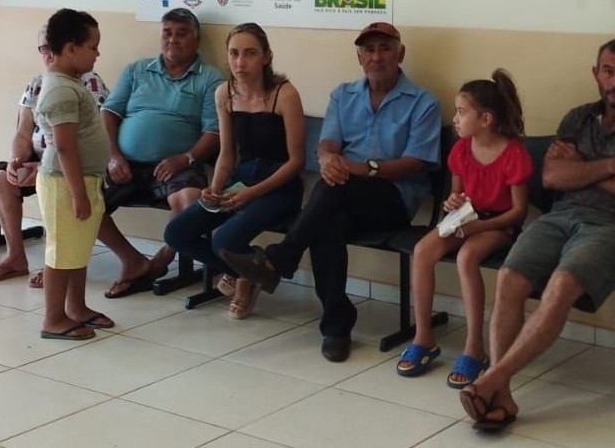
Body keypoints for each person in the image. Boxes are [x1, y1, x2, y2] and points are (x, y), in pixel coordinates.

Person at [459, 38, 615, 432]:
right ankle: (502, 394)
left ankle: (491, 379)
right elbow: (551, 176)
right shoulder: (577, 118)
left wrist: (583, 168)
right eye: (608, 71)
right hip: (559, 219)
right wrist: (612, 165)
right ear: (596, 74)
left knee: (561, 284)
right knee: (509, 278)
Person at [221, 22, 441, 362]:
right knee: (327, 219)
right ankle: (336, 327)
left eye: (385, 48)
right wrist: (327, 160)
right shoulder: (343, 95)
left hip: (393, 199)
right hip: (342, 194)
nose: (376, 56)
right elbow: (327, 144)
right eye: (368, 50)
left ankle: (282, 258)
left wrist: (360, 168)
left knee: (332, 191)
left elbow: (416, 163)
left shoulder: (423, 102)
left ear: (400, 54)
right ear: (359, 57)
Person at [396, 70, 533, 387]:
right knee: (422, 251)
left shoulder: (513, 154)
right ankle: (423, 337)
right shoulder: (460, 149)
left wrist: (481, 226)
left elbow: (518, 212)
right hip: (466, 219)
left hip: (498, 224)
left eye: (461, 112)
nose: (455, 119)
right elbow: (456, 196)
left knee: (467, 257)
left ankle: (474, 348)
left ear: (485, 119)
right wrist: (452, 203)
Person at [164, 23, 305, 318]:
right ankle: (246, 273)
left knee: (223, 240)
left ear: (266, 56)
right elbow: (227, 154)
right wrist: (215, 188)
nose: (240, 62)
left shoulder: (284, 94)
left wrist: (252, 194)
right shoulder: (224, 93)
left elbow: (296, 162)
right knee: (176, 232)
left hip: (280, 185)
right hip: (243, 178)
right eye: (234, 53)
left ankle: (246, 276)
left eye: (250, 53)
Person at [100, 7, 224, 298]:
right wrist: (114, 155)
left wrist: (186, 158)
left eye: (181, 34)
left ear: (196, 40)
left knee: (191, 201)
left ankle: (160, 262)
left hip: (178, 163)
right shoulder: (137, 70)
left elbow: (214, 133)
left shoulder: (210, 78)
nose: (172, 40)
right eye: (167, 33)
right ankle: (132, 261)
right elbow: (109, 113)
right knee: (81, 201)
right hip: (126, 164)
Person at [0, 27, 109, 286]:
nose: (48, 53)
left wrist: (45, 166)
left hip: (70, 166)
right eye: (43, 48)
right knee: (3, 178)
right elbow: (23, 132)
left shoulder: (87, 82)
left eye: (52, 47)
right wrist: (16, 160)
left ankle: (55, 267)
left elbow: (75, 140)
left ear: (67, 48)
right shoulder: (37, 83)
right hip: (42, 161)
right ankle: (15, 257)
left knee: (61, 199)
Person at [34, 9, 111, 340]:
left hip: (79, 180)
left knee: (76, 249)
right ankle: (53, 319)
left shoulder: (70, 83)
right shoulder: (60, 90)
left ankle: (76, 308)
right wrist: (78, 193)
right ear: (69, 49)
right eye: (92, 47)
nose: (97, 53)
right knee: (61, 252)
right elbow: (64, 147)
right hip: (64, 183)